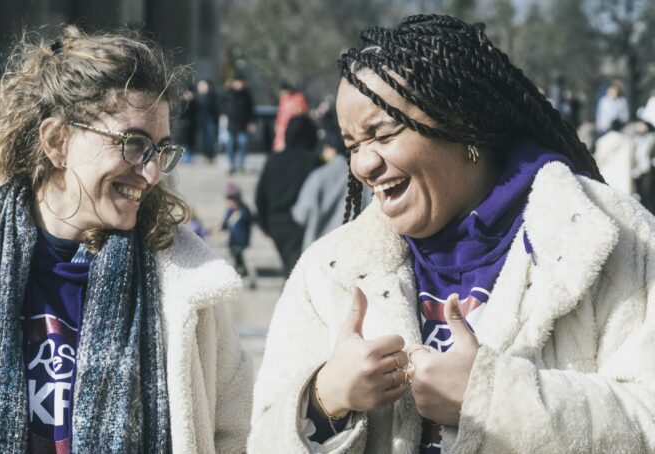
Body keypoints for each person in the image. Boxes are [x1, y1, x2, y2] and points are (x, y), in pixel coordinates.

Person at [249, 14, 655, 453]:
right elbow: (261, 437)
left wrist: (492, 399)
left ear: (463, 124)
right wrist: (324, 400)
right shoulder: (329, 272)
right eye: (352, 145)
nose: (363, 164)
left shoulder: (612, 237)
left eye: (382, 134)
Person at [0, 26, 253, 453]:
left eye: (160, 150)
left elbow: (238, 431)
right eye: (134, 144)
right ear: (57, 141)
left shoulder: (184, 284)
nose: (152, 173)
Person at [255, 114, 319, 277]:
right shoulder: (312, 161)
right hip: (299, 224)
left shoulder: (274, 159)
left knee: (293, 269)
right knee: (297, 273)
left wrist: (264, 224)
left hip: (275, 223)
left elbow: (260, 194)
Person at [291, 132, 371, 250]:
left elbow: (301, 215)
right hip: (352, 249)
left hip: (318, 251)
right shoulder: (361, 177)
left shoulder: (318, 176)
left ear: (331, 148)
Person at [222, 77, 255, 174]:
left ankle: (241, 164)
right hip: (230, 123)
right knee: (230, 144)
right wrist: (225, 113)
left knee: (243, 143)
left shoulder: (247, 94)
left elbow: (251, 109)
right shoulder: (228, 93)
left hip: (243, 124)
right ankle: (231, 165)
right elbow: (221, 106)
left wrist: (251, 122)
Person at [221, 182, 253, 277]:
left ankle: (245, 274)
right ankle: (240, 273)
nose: (231, 202)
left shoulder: (244, 210)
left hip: (242, 240)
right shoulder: (229, 212)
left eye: (233, 199)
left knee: (240, 257)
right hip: (233, 241)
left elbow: (251, 221)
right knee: (236, 257)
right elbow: (225, 224)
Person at [272, 81, 309, 152]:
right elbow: (280, 113)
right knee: (279, 146)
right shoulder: (283, 99)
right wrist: (277, 124)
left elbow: (302, 111)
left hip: (293, 126)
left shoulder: (298, 98)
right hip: (282, 127)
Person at [196, 79, 220, 163]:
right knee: (204, 140)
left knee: (211, 139)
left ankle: (211, 155)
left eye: (203, 86)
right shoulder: (198, 97)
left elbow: (216, 109)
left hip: (211, 121)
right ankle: (206, 156)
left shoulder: (213, 96)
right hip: (202, 121)